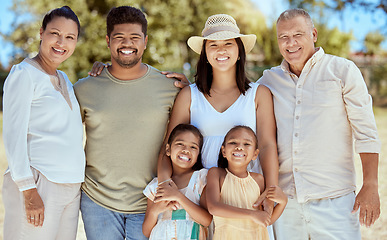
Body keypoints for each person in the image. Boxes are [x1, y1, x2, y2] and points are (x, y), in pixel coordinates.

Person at [258, 8, 381, 240]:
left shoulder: (342, 71)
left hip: (335, 201)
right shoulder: (268, 80)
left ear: (313, 34)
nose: (290, 43)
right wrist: (192, 87)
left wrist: (371, 185)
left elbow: (366, 132)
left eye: (298, 35)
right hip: (285, 204)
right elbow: (233, 95)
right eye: (283, 37)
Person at [157, 14, 278, 228]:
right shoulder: (189, 95)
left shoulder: (259, 94)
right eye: (213, 45)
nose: (221, 50)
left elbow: (268, 146)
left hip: (245, 195)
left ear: (240, 51)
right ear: (204, 54)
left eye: (228, 44)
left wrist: (271, 192)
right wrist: (166, 183)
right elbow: (168, 145)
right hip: (199, 198)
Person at [73, 6, 179, 240]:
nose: (127, 43)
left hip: (149, 202)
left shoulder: (170, 88)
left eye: (134, 37)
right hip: (97, 201)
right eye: (119, 37)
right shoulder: (84, 88)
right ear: (108, 41)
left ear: (145, 41)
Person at [2, 6, 85, 240]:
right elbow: (13, 135)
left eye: (70, 37)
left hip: (70, 185)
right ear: (41, 33)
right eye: (55, 33)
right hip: (39, 183)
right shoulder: (24, 74)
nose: (61, 42)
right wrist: (29, 191)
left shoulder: (65, 79)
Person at [206, 126, 287, 240]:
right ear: (224, 151)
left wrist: (283, 202)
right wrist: (252, 214)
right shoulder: (216, 174)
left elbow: (266, 219)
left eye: (247, 144)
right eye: (233, 142)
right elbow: (214, 208)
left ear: (255, 154)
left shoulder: (259, 180)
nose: (239, 147)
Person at [142, 124, 212, 240]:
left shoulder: (201, 178)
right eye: (180, 144)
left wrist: (178, 196)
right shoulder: (155, 186)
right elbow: (146, 232)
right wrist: (155, 211)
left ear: (198, 154)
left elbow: (206, 220)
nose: (186, 150)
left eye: (193, 147)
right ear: (168, 150)